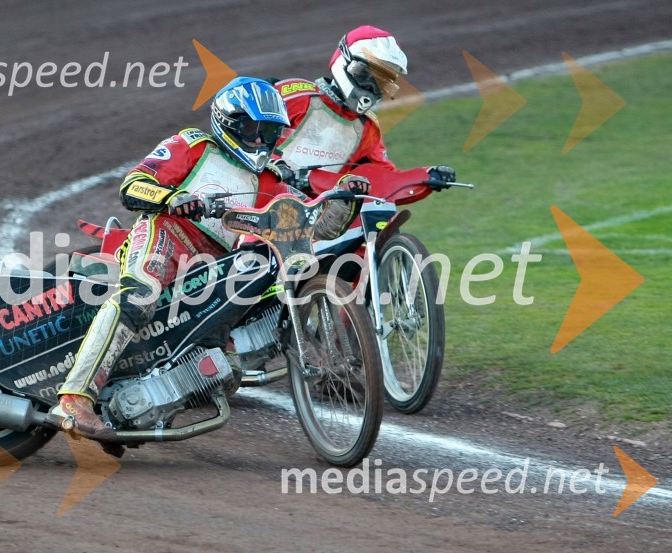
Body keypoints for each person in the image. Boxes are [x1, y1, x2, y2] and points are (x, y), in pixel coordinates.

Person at [51, 76, 369, 440]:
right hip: (166, 234)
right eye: (254, 130)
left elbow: (317, 227)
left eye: (270, 133)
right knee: (139, 296)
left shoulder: (270, 181)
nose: (262, 141)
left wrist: (346, 197)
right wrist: (171, 199)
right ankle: (75, 397)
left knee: (225, 365)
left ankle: (135, 406)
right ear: (230, 122)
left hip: (216, 266)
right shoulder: (193, 145)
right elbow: (133, 185)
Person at [268, 25, 457, 218]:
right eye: (366, 74)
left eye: (382, 81)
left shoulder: (367, 127)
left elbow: (384, 181)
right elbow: (248, 139)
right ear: (345, 61)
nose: (372, 85)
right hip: (262, 202)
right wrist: (278, 167)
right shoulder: (295, 95)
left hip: (319, 216)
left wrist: (427, 176)